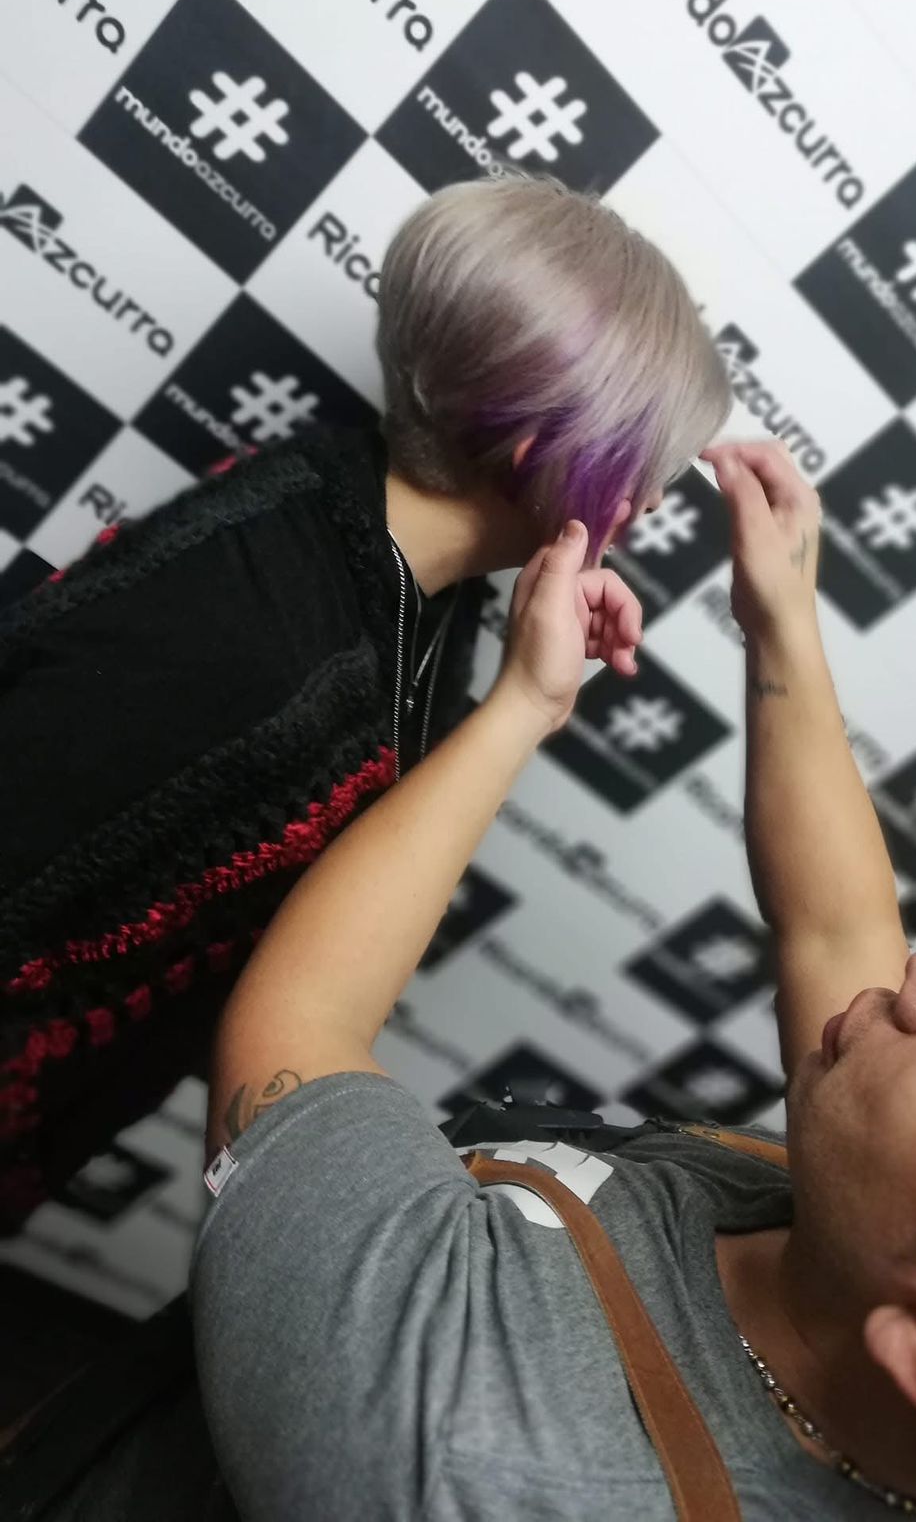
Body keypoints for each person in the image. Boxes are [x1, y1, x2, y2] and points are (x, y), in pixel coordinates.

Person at [190, 438, 916, 1521]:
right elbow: (837, 932)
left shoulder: (460, 1437)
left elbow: (301, 1020)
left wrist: (524, 703)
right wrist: (780, 617)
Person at [0, 171, 731, 1227]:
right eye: (638, 464)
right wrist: (527, 699)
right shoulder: (253, 639)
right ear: (540, 456)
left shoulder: (416, 583)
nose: (654, 500)